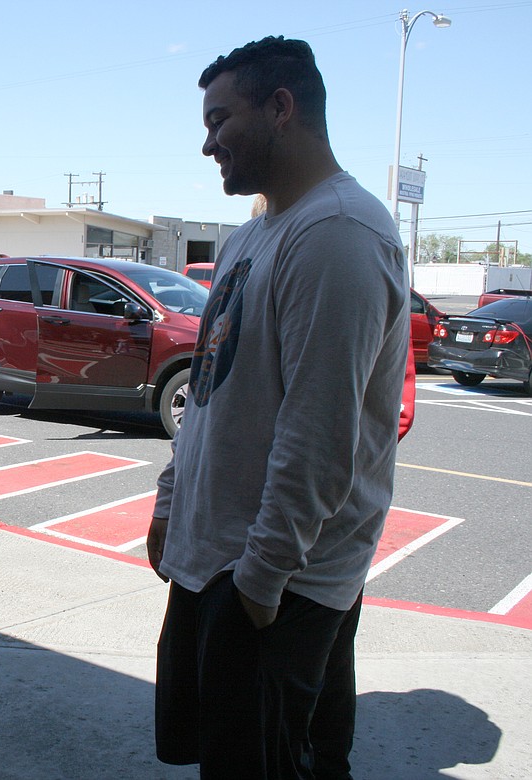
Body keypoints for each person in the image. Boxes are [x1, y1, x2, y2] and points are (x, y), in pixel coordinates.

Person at [147, 37, 408, 779]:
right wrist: (172, 503)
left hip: (275, 582)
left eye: (220, 119)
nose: (208, 144)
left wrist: (258, 589)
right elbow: (209, 387)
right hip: (217, 560)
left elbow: (322, 437)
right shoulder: (251, 238)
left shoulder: (337, 233)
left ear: (282, 108)